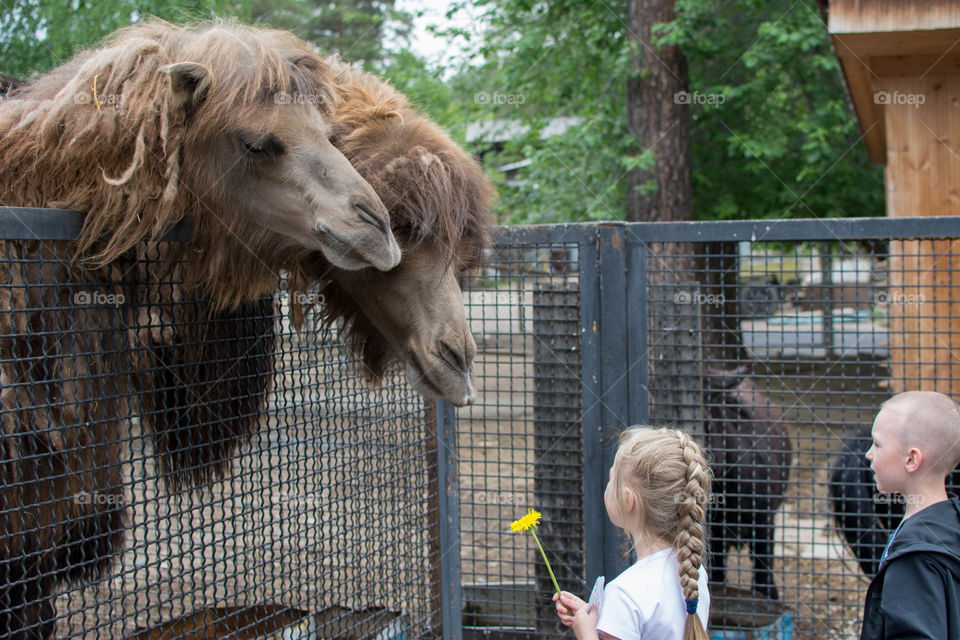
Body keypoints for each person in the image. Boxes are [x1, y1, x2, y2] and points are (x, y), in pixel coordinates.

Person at [553, 426, 712, 640]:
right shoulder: (693, 573)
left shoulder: (624, 593)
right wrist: (605, 620)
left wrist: (586, 633)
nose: (608, 486)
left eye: (611, 480)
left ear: (628, 501)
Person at [860, 390, 960, 639]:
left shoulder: (914, 560)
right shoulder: (951, 520)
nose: (868, 454)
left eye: (878, 444)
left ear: (912, 459)